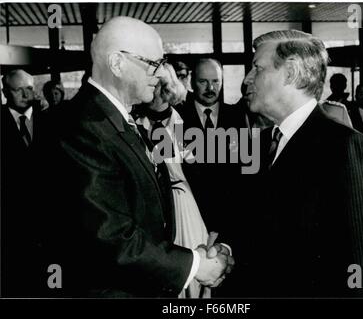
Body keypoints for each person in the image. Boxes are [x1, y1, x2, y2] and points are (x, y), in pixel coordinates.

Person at [42, 17, 232, 298]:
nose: (160, 74)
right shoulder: (82, 126)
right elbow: (108, 236)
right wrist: (194, 266)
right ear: (117, 63)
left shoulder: (114, 119)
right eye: (153, 63)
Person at [243, 29, 363, 297]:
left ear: (290, 73)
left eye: (257, 68)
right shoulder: (263, 142)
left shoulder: (344, 146)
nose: (247, 79)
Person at [136, 63, 212, 298]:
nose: (156, 91)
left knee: (189, 268)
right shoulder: (135, 121)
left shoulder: (185, 120)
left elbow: (200, 168)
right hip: (152, 203)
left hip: (182, 202)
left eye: (161, 85)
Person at [175, 58, 247, 234]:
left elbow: (245, 165)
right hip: (191, 213)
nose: (210, 88)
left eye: (215, 81)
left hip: (230, 213)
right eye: (203, 82)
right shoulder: (177, 117)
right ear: (192, 82)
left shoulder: (237, 116)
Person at [1, 69, 45, 296]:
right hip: (11, 217)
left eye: (30, 88)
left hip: (47, 215)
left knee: (50, 276)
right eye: (19, 90)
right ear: (6, 92)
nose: (27, 94)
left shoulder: (50, 119)